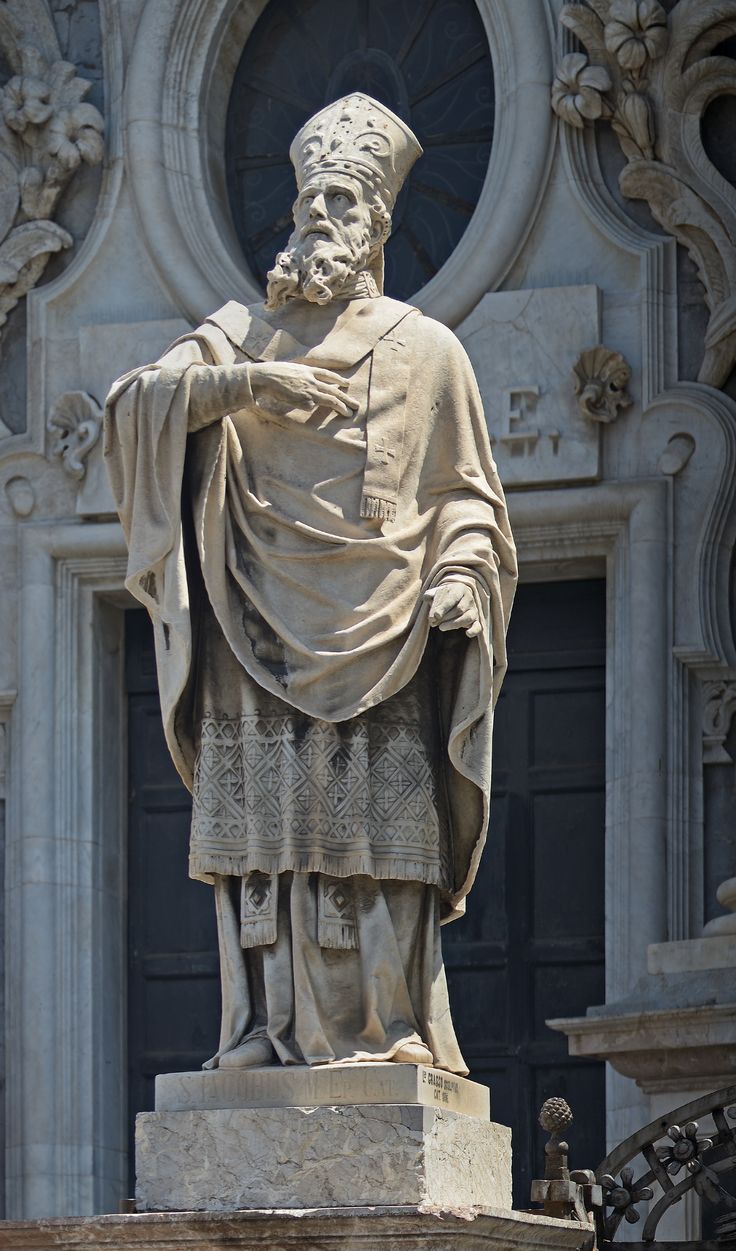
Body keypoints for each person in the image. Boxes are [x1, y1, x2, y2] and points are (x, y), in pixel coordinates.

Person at [104, 93, 517, 1075]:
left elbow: (466, 499)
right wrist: (247, 386)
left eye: (341, 201)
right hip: (254, 624)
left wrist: (460, 574)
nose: (318, 218)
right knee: (268, 843)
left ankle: (391, 1029)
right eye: (308, 201)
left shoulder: (429, 352)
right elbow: (133, 407)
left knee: (378, 837)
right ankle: (264, 1029)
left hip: (385, 636)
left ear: (377, 224)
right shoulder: (240, 336)